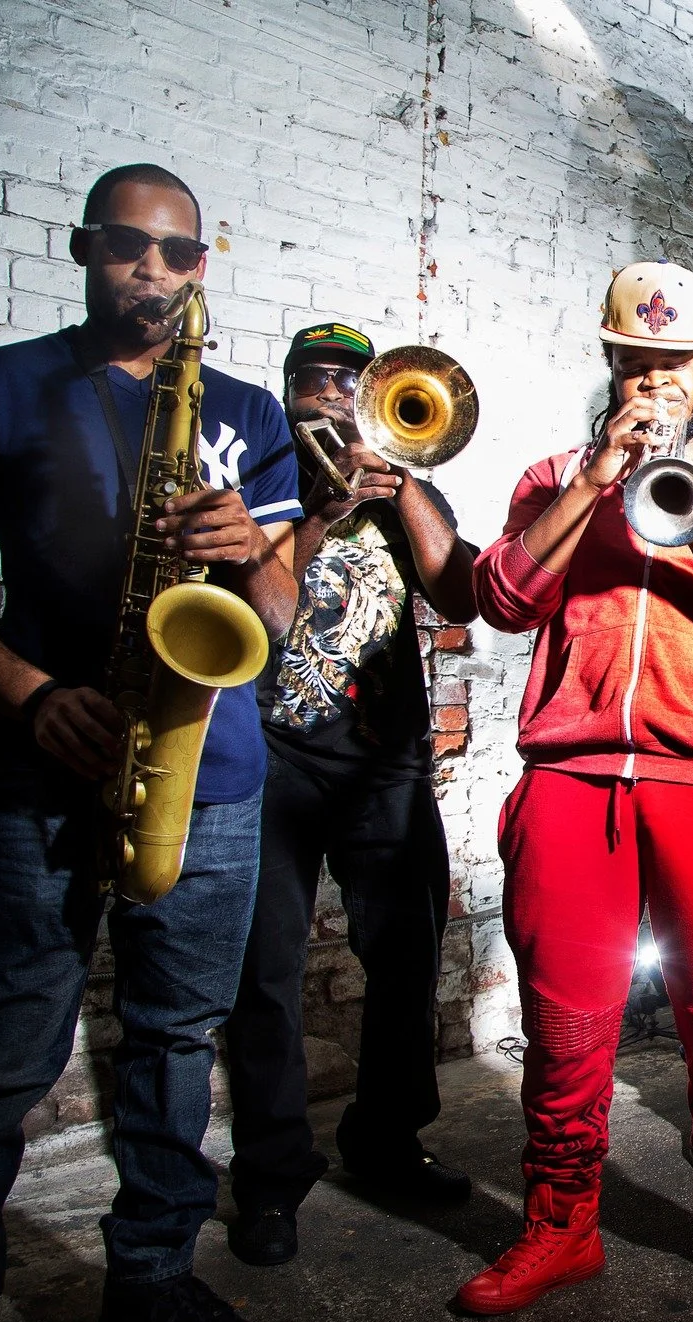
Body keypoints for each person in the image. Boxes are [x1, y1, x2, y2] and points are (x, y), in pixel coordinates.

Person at [0, 165, 298, 1322]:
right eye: (125, 246)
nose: (151, 271)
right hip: (56, 762)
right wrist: (32, 694)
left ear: (204, 268)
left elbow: (284, 610)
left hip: (211, 774)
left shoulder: (250, 412)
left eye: (177, 255)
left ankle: (149, 1280)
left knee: (172, 1044)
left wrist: (252, 544)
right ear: (84, 251)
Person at [459, 260, 693, 1313]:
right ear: (612, 361)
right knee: (567, 1031)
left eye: (675, 362)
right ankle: (559, 1229)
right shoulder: (550, 478)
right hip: (573, 780)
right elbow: (500, 600)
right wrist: (594, 484)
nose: (656, 381)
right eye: (637, 361)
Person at [222, 323, 481, 1268]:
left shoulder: (403, 477)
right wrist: (322, 508)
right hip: (273, 753)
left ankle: (385, 1139)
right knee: (265, 976)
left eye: (348, 382)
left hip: (385, 759)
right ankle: (270, 1179)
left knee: (408, 956)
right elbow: (265, 604)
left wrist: (405, 480)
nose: (331, 397)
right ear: (288, 390)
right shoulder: (257, 474)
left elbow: (461, 593)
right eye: (314, 381)